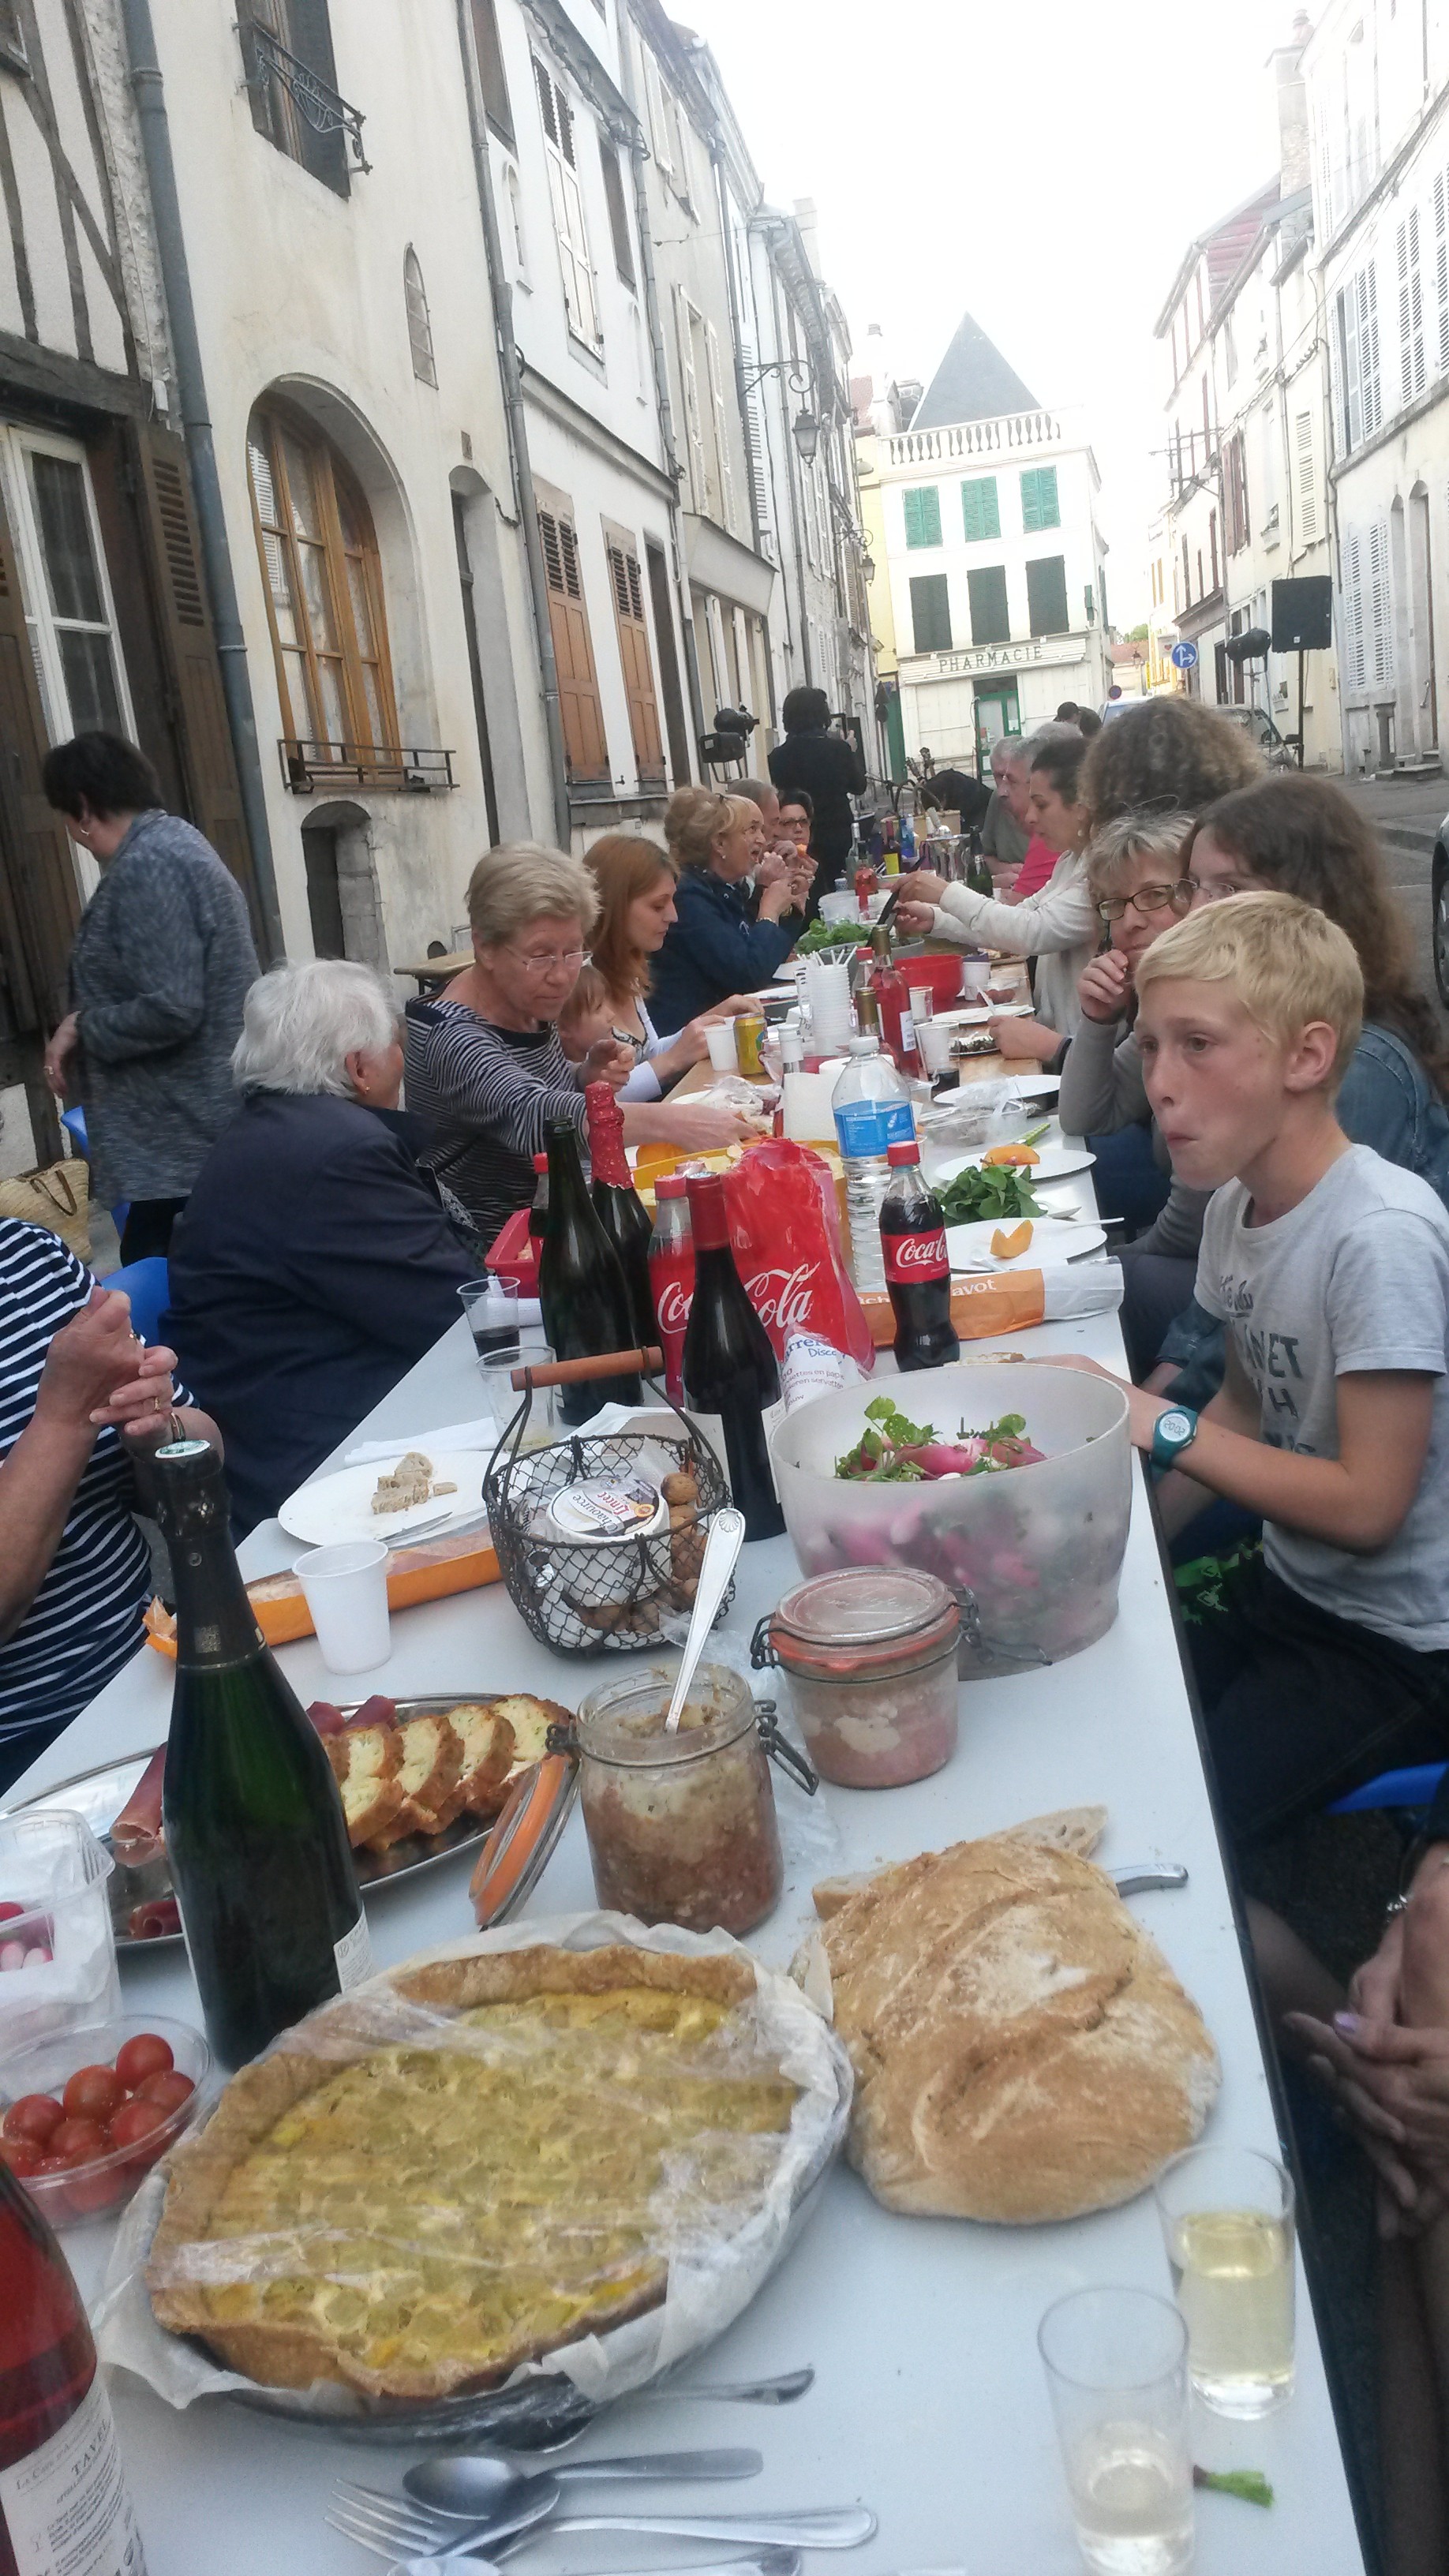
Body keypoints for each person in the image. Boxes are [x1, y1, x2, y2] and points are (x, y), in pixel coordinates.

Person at [1058, 893, 1449, 1848]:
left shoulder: (1378, 1239)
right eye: (1150, 1049)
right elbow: (1238, 1399)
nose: (1160, 1083)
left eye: (1197, 1044)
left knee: (1175, 1830)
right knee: (1110, 1715)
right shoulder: (1239, 1207)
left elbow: (1368, 1505)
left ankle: (1328, 1996)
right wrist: (1132, 1545)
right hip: (1294, 1592)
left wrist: (1157, 1425)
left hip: (1400, 1648)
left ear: (1307, 1059)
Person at [1069, 775, 1449, 1380]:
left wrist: (1158, 1422)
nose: (1195, 911)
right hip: (1252, 1347)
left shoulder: (1356, 1070)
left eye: (1229, 888)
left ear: (1304, 898)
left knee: (1120, 1286)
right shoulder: (1240, 1019)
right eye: (1195, 887)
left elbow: (1267, 1324)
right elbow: (1231, 1301)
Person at [164, 961, 478, 1535]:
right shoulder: (340, 1154)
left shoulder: (274, 1131)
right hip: (322, 1463)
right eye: (395, 1048)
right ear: (359, 1067)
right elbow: (455, 1312)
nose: (401, 1063)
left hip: (275, 1418)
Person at [405, 844, 747, 1251]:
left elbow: (535, 1086)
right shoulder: (453, 1036)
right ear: (485, 948)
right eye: (541, 955)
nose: (562, 976)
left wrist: (583, 1075)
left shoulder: (527, 995)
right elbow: (532, 1115)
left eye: (573, 952)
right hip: (507, 1254)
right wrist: (672, 1121)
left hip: (573, 1217)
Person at [1, 1212, 220, 1790]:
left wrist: (159, 1436)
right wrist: (65, 1416)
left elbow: (203, 1453)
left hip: (151, 1664)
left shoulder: (25, 1257)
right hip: (27, 1751)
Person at [40, 732, 260, 1261]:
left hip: (183, 1148)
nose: (71, 833)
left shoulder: (151, 866)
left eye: (66, 816)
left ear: (86, 809)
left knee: (168, 1303)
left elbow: (172, 1006)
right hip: (193, 1146)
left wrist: (83, 1026)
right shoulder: (174, 846)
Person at [895, 729, 1095, 1037]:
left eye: (1040, 805)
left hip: (1072, 1049)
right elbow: (1021, 913)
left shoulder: (1100, 872)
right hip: (1060, 1038)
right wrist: (935, 918)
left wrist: (946, 893)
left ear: (1080, 807)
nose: (1029, 817)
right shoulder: (1072, 860)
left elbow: (1029, 931)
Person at [579, 835, 750, 1099]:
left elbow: (649, 1054)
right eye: (658, 905)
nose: (673, 916)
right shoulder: (579, 983)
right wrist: (673, 1059)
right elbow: (595, 1097)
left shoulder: (628, 967)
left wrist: (707, 1023)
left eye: (672, 902)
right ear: (615, 906)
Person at [649, 789, 800, 1030]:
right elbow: (747, 974)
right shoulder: (689, 897)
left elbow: (761, 952)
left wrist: (793, 906)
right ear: (720, 843)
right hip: (690, 1044)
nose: (762, 839)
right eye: (751, 830)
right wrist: (770, 911)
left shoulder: (718, 889)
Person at [767, 687, 867, 912]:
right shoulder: (838, 749)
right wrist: (851, 752)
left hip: (798, 830)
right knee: (840, 886)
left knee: (806, 884)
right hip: (836, 831)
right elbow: (859, 786)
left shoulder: (777, 757)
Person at [977, 736, 1032, 882]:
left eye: (1010, 778)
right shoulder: (997, 799)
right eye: (998, 777)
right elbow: (986, 857)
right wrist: (1006, 870)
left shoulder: (1046, 804)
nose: (1003, 789)